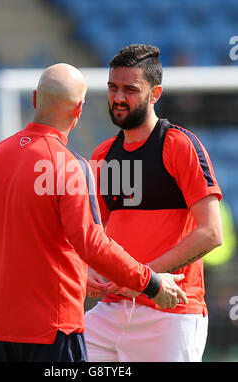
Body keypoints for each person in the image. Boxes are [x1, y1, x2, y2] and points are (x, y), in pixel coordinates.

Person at [0, 63, 187, 362]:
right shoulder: (69, 166)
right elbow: (91, 242)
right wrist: (150, 282)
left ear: (36, 98)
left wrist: (10, 282)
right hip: (53, 328)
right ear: (79, 110)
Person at [85, 45, 223, 362]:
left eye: (130, 89)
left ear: (155, 93)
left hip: (170, 311)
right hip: (110, 310)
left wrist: (146, 280)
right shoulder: (102, 155)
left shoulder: (180, 145)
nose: (119, 97)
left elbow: (212, 232)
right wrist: (88, 269)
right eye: (113, 87)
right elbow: (96, 233)